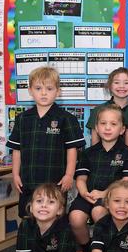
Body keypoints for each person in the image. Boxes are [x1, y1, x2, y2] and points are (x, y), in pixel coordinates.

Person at [7, 66, 85, 218]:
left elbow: (72, 149)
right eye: (38, 88)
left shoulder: (67, 118)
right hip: (28, 181)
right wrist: (15, 174)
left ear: (58, 91)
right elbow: (17, 150)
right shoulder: (22, 118)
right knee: (28, 218)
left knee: (55, 219)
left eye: (49, 88)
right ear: (30, 91)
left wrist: (69, 175)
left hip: (55, 181)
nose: (43, 93)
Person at [69, 104, 128, 251]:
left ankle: (108, 250)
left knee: (98, 212)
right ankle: (88, 249)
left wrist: (104, 194)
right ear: (97, 127)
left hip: (113, 197)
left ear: (122, 129)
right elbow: (81, 179)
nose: (107, 128)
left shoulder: (127, 153)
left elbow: (126, 181)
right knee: (75, 218)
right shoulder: (89, 153)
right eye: (103, 123)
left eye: (113, 124)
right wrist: (83, 193)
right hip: (88, 195)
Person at [86, 67, 128, 145]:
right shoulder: (99, 110)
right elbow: (94, 143)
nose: (121, 86)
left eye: (126, 83)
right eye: (116, 82)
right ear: (110, 86)